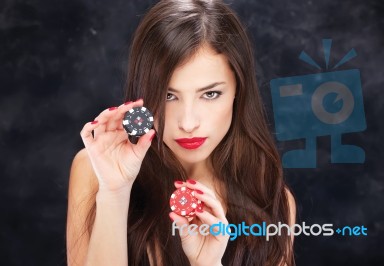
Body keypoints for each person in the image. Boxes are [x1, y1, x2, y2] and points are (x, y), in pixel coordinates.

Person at [66, 0, 297, 265]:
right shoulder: (95, 171)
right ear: (144, 94)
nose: (188, 123)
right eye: (168, 95)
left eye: (210, 94)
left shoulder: (270, 200)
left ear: (238, 92)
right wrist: (115, 192)